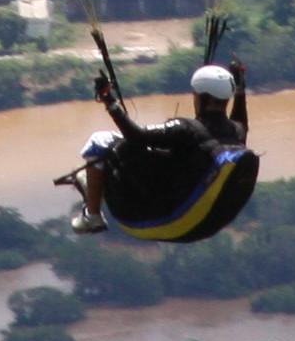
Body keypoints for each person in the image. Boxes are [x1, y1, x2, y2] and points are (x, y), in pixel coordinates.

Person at [58, 21, 259, 244]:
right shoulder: (235, 134)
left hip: (152, 218)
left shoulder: (187, 130)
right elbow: (241, 121)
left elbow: (137, 136)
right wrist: (240, 88)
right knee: (151, 152)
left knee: (101, 141)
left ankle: (92, 216)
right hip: (199, 226)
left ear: (200, 97)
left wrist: (109, 101)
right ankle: (94, 190)